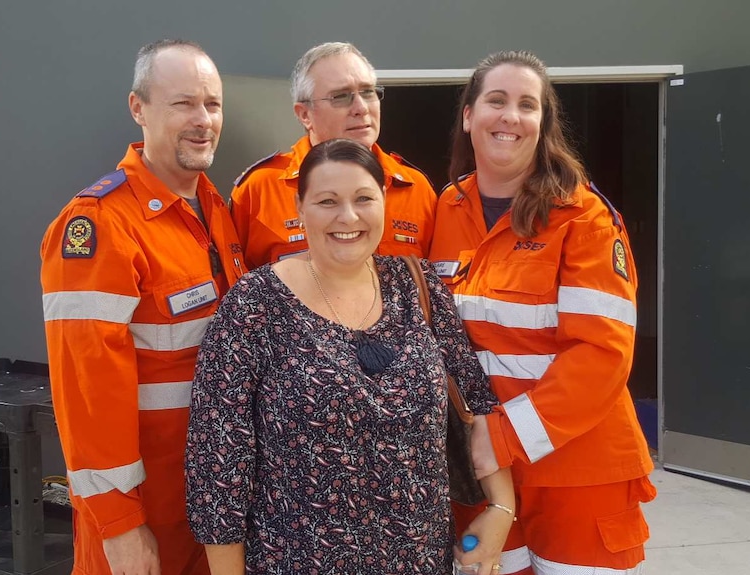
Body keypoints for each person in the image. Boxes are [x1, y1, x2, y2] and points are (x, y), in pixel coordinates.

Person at [186, 138, 515, 575]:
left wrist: (502, 506)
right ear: (300, 210)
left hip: (419, 560)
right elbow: (218, 460)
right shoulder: (254, 305)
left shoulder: (417, 287)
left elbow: (476, 402)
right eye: (327, 201)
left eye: (364, 199)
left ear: (384, 204)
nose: (348, 217)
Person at [429, 51, 656, 575]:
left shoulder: (583, 217)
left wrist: (504, 436)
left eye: (527, 105)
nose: (510, 116)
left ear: (542, 124)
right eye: (496, 100)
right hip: (483, 476)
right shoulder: (444, 209)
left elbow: (602, 355)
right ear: (468, 115)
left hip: (577, 472)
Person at [41, 39, 245, 575]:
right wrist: (119, 525)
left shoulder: (216, 212)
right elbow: (86, 391)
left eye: (213, 104)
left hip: (217, 503)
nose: (203, 120)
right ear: (139, 109)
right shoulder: (100, 225)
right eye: (183, 104)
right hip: (147, 516)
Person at [230, 41, 437, 269]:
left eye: (368, 92)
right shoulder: (260, 190)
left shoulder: (416, 188)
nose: (361, 107)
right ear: (305, 115)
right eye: (340, 96)